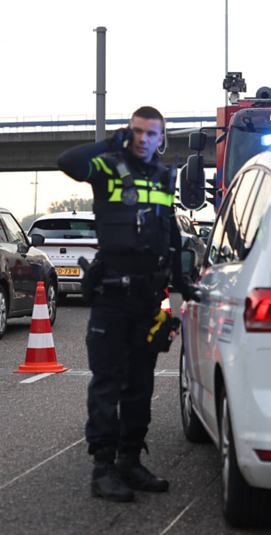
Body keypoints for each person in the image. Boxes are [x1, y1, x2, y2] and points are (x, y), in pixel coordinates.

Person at [58, 105, 193, 502]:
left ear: (161, 138)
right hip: (112, 298)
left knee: (141, 384)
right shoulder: (107, 168)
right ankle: (103, 469)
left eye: (152, 134)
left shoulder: (165, 178)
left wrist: (181, 281)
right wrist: (110, 141)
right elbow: (68, 161)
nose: (144, 139)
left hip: (149, 299)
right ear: (128, 133)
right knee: (108, 384)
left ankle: (130, 461)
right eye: (137, 132)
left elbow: (169, 232)